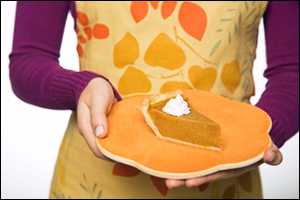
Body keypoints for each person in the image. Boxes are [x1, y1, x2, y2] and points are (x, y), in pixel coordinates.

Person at [9, 1, 298, 198]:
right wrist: (80, 86)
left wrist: (257, 140)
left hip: (226, 186)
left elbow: (292, 71)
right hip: (93, 182)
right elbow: (28, 61)